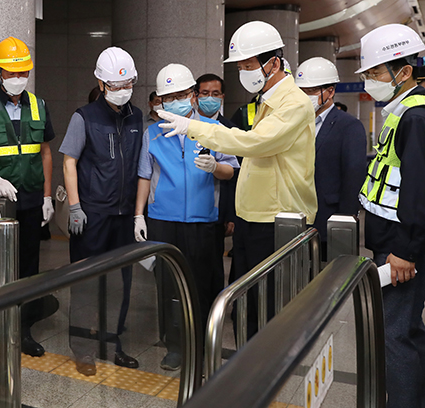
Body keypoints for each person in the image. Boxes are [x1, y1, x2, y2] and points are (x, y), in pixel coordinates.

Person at [158, 21, 317, 339]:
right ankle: (249, 368)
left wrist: (196, 128)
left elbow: (255, 143)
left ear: (273, 62)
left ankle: (263, 372)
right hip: (254, 218)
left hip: (276, 220)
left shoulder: (294, 103)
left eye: (248, 65)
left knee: (268, 307)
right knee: (248, 302)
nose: (244, 72)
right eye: (240, 66)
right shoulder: (267, 99)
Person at [135, 63, 238, 370]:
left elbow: (231, 170)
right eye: (168, 97)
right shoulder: (152, 134)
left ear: (193, 96)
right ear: (159, 101)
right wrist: (138, 216)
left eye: (181, 94)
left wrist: (213, 167)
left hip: (203, 220)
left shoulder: (212, 128)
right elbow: (144, 176)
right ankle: (174, 345)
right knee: (167, 284)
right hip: (163, 220)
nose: (175, 101)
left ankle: (203, 340)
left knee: (202, 282)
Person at [0, 36, 56, 357]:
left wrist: (47, 196)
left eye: (23, 73)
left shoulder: (38, 104)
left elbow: (45, 153)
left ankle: (22, 329)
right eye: (11, 73)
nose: (18, 79)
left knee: (28, 268)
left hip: (30, 200)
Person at [59, 46, 142, 376]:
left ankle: (112, 343)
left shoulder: (137, 118)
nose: (122, 91)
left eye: (128, 85)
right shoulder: (84, 116)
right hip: (92, 216)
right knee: (85, 284)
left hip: (123, 217)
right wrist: (75, 207)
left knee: (120, 283)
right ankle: (83, 348)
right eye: (115, 85)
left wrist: (139, 212)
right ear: (101, 82)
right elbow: (69, 162)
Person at [356, 24, 425, 408]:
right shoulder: (400, 113)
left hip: (401, 249)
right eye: (368, 73)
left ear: (404, 72)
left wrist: (405, 250)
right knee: (405, 331)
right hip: (392, 245)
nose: (371, 81)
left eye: (377, 73)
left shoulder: (416, 117)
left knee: (396, 335)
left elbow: (420, 192)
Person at [295, 57, 367, 261]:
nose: (305, 96)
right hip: (297, 219)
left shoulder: (349, 126)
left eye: (311, 91)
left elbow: (353, 175)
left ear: (330, 91)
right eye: (301, 91)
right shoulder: (295, 123)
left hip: (329, 218)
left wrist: (344, 221)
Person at [194, 73, 238, 289]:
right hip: (187, 211)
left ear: (222, 96)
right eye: (205, 93)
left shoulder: (228, 129)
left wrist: (230, 216)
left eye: (215, 94)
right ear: (195, 95)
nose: (210, 98)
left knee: (213, 267)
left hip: (217, 212)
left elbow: (233, 177)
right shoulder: (187, 126)